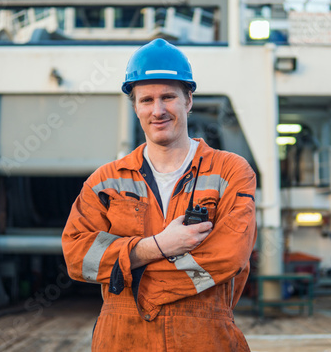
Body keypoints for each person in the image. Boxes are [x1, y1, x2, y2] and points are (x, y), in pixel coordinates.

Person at [62, 38, 257, 351]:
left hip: (204, 336)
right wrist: (157, 246)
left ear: (188, 101)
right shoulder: (105, 181)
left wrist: (133, 280)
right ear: (135, 107)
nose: (158, 110)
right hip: (122, 339)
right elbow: (78, 257)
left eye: (168, 97)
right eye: (147, 100)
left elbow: (228, 256)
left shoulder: (230, 172)